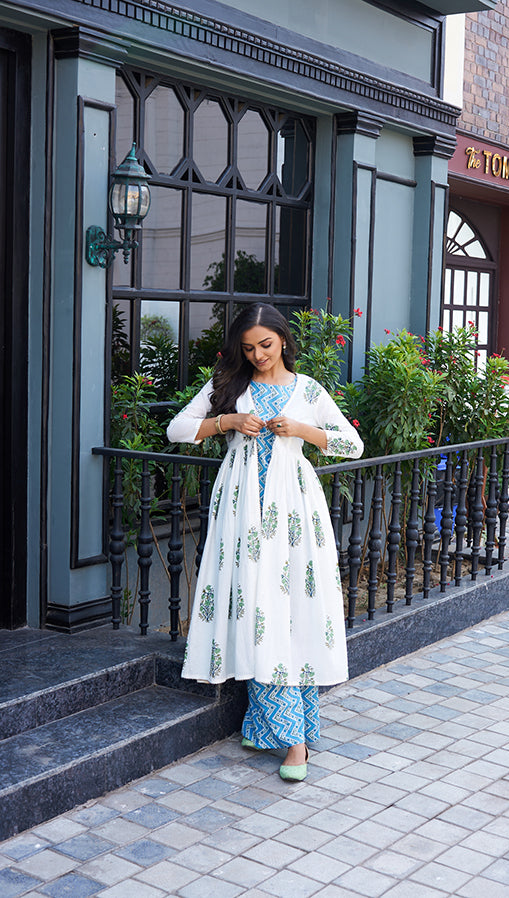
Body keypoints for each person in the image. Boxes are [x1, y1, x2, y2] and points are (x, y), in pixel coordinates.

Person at [167, 303, 363, 781]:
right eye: (249, 347)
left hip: (294, 508)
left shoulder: (308, 390)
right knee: (257, 602)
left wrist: (302, 430)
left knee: (289, 604)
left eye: (266, 345)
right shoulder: (227, 386)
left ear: (282, 340)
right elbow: (177, 429)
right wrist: (227, 423)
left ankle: (294, 741)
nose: (257, 355)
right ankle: (268, 724)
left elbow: (351, 445)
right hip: (240, 509)